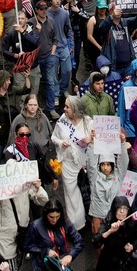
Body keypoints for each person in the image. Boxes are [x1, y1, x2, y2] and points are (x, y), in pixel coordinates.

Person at [51, 95, 93, 231]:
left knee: (88, 191)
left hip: (85, 162)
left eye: (67, 107)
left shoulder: (88, 121)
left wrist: (90, 139)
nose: (64, 109)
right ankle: (75, 224)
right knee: (71, 193)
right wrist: (60, 142)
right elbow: (53, 137)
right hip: (68, 163)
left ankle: (90, 217)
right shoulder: (62, 121)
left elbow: (97, 139)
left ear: (75, 109)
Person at [25, 199, 85, 271]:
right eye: (51, 217)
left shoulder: (65, 222)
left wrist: (70, 255)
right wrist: (46, 251)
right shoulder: (36, 226)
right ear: (45, 215)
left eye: (57, 216)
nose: (54, 220)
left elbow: (79, 241)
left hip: (61, 265)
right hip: (43, 268)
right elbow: (28, 246)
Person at [94, 196, 137, 271]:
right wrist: (110, 231)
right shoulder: (108, 222)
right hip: (108, 262)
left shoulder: (131, 223)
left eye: (125, 208)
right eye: (119, 209)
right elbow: (95, 242)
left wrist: (132, 246)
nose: (122, 211)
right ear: (114, 210)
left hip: (125, 262)